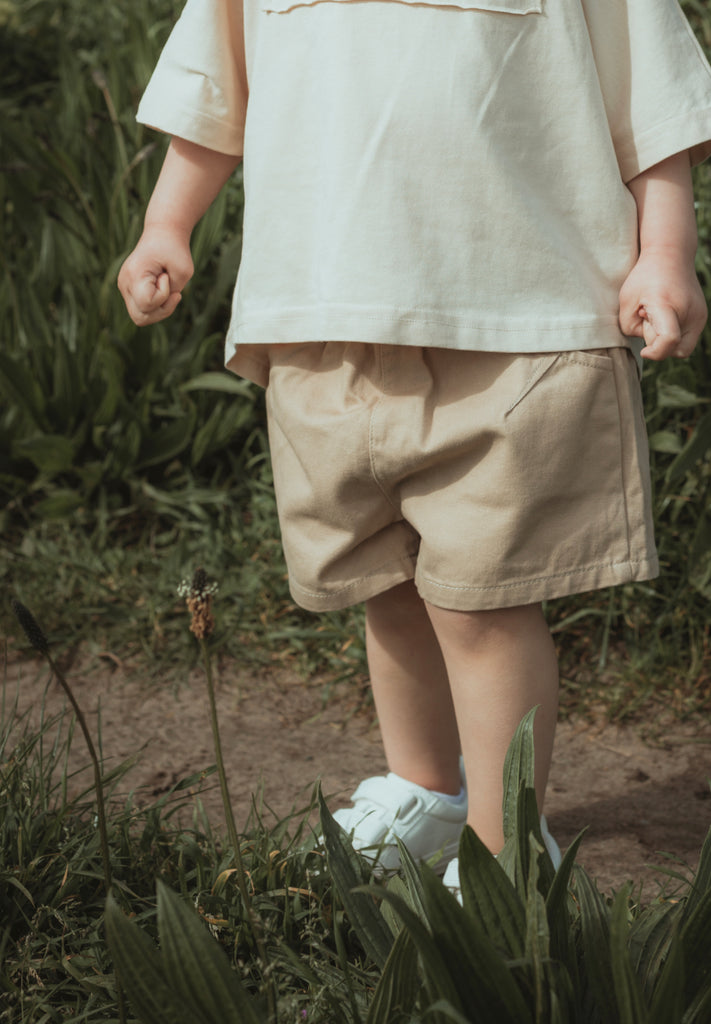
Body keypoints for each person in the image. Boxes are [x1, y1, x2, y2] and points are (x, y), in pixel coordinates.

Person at [119, 0, 711, 892]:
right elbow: (216, 90)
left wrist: (664, 249)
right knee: (384, 577)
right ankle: (425, 790)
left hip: (514, 316)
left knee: (484, 600)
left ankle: (508, 849)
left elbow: (651, 95)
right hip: (321, 315)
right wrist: (168, 225)